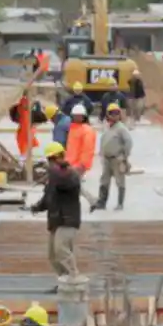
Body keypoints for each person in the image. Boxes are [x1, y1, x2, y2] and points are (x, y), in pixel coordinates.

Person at [31, 142, 82, 288]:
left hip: (68, 220)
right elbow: (49, 197)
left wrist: (53, 171)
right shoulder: (55, 177)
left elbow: (65, 183)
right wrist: (37, 207)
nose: (51, 163)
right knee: (53, 256)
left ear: (60, 157)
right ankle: (64, 280)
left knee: (62, 251)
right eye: (50, 160)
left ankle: (73, 278)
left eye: (53, 159)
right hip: (56, 220)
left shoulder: (70, 174)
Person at [92, 104, 132, 212]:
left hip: (117, 159)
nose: (114, 116)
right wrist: (101, 154)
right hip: (106, 159)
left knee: (120, 181)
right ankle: (102, 202)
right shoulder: (107, 127)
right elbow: (103, 141)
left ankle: (120, 203)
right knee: (104, 181)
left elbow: (128, 142)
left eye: (116, 113)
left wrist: (124, 156)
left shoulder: (121, 128)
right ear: (108, 115)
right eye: (112, 113)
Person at [64, 104, 96, 176]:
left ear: (83, 116)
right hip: (69, 164)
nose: (77, 117)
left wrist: (82, 165)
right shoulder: (72, 128)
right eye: (75, 115)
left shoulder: (87, 130)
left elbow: (87, 150)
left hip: (78, 166)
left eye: (79, 115)